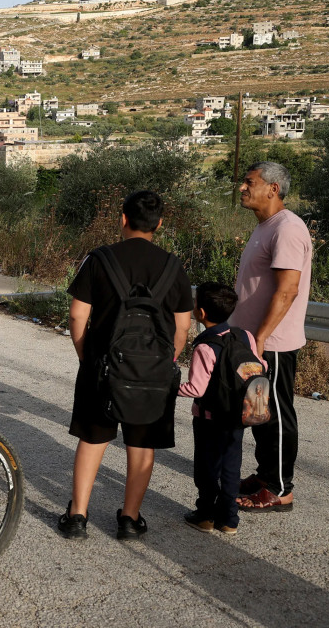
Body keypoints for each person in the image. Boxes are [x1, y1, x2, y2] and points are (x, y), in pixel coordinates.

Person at [59, 190, 193, 541]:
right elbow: (183, 326)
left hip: (101, 365)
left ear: (122, 219)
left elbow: (77, 314)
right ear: (159, 224)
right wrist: (168, 360)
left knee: (93, 439)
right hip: (153, 371)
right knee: (141, 442)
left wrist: (85, 355)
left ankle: (77, 516)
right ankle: (130, 520)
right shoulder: (173, 266)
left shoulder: (99, 260)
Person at [231, 161, 312, 512]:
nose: (242, 188)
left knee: (275, 414)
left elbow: (288, 290)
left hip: (272, 344)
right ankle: (266, 475)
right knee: (259, 412)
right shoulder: (266, 226)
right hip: (254, 341)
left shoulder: (288, 229)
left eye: (249, 182)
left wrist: (262, 337)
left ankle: (280, 489)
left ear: (273, 188)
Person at [178, 283, 256, 535]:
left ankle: (205, 516)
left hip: (209, 420)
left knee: (207, 469)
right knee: (231, 468)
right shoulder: (245, 336)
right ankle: (229, 520)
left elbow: (196, 389)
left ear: (200, 312)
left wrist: (169, 388)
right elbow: (258, 367)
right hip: (238, 417)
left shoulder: (205, 346)